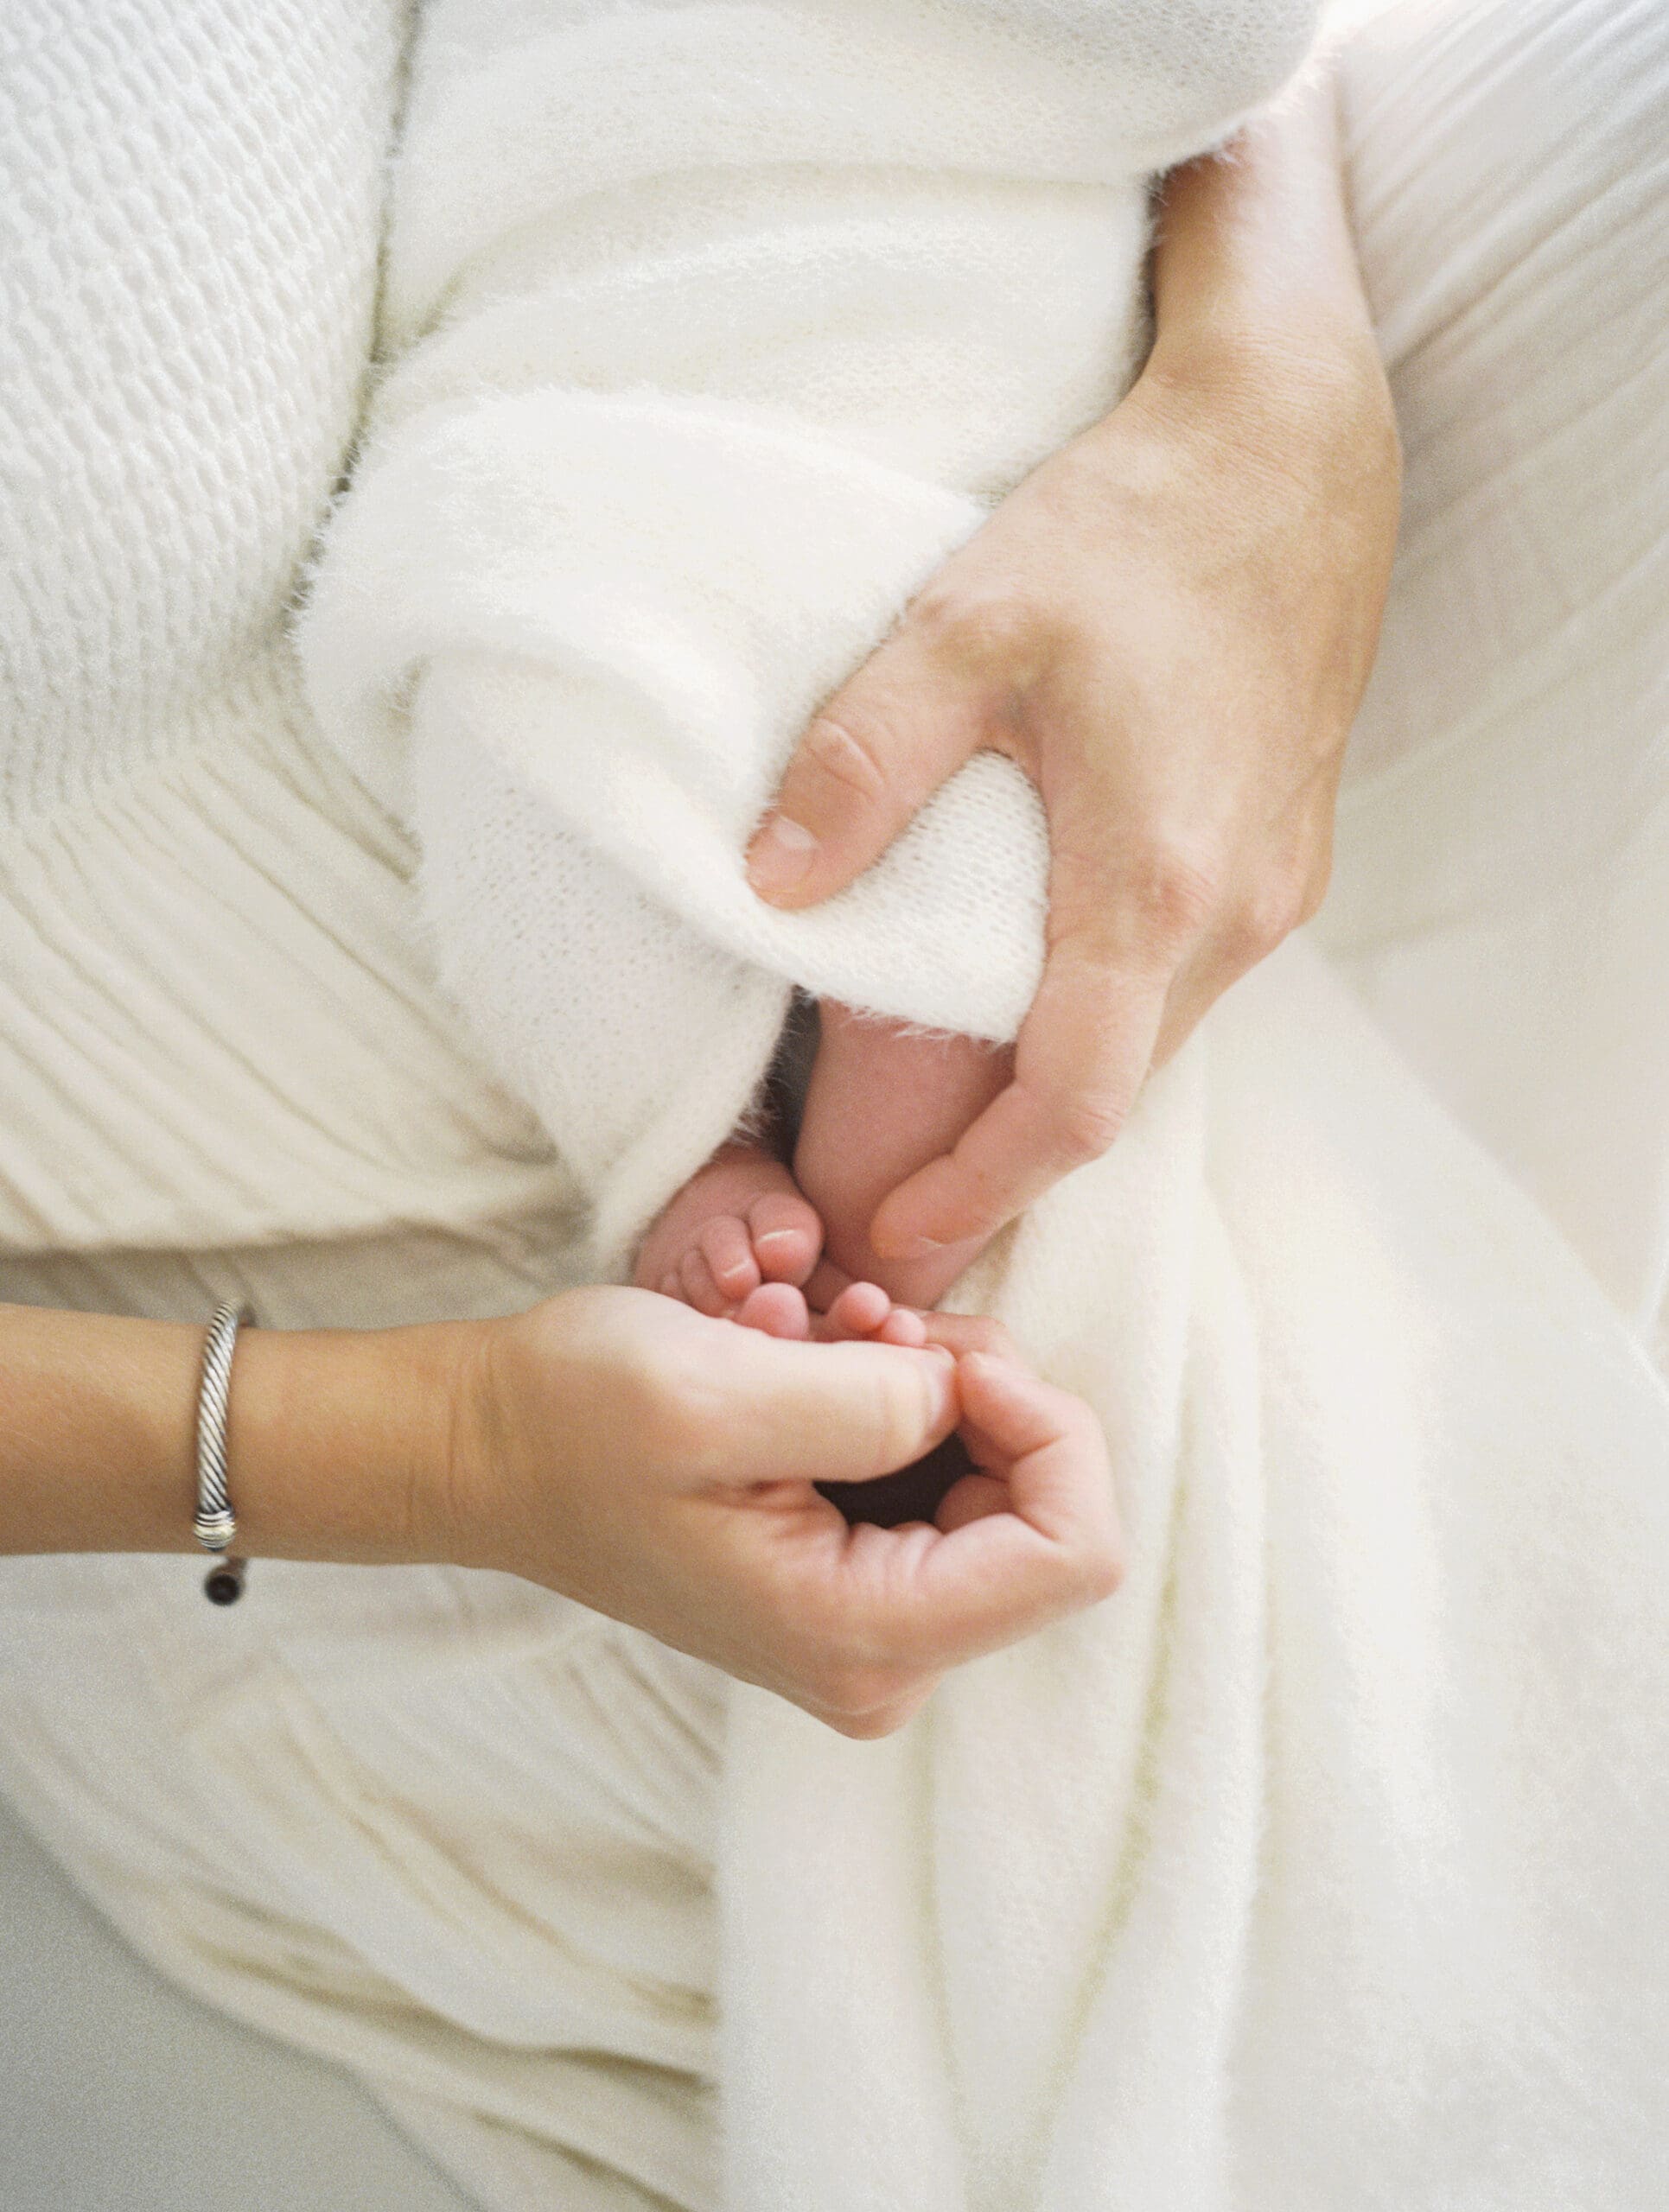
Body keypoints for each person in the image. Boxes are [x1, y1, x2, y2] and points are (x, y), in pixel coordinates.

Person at [4, 2, 1666, 2207]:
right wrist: (460, 1444)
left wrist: (1268, 394)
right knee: (1186, 1700)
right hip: (359, 1331)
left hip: (953, 401)